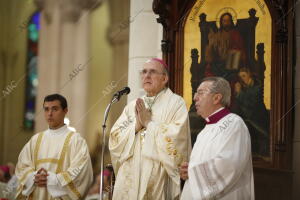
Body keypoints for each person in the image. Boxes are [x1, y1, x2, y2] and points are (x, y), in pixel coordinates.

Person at [109, 58, 191, 199]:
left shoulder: (176, 103)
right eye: (144, 72)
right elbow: (115, 137)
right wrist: (136, 126)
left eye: (152, 72)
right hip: (130, 173)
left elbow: (178, 137)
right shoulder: (132, 105)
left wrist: (148, 123)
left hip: (157, 172)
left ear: (164, 78)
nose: (146, 75)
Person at [180, 77, 254, 200]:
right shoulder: (204, 132)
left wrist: (192, 171)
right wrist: (189, 169)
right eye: (195, 93)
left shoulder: (234, 123)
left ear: (216, 98)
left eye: (201, 93)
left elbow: (229, 164)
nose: (195, 98)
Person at [15, 94, 93, 199]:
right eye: (46, 109)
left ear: (65, 111)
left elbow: (82, 172)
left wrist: (52, 179)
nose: (50, 114)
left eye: (55, 109)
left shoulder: (76, 141)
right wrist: (33, 177)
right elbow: (22, 167)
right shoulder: (35, 140)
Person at [234, 68, 269, 156]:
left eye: (244, 76)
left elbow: (251, 103)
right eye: (240, 77)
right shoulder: (244, 87)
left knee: (261, 137)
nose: (242, 79)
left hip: (257, 116)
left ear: (249, 75)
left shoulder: (257, 87)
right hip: (248, 117)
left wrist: (239, 93)